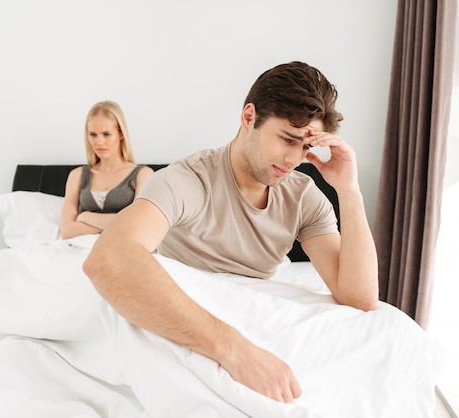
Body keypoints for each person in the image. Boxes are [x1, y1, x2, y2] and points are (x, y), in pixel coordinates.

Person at [83, 62, 379, 403]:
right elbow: (106, 258)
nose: (295, 158)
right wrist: (235, 351)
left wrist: (350, 191)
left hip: (251, 321)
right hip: (185, 322)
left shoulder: (303, 197)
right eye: (287, 139)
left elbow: (359, 298)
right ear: (249, 117)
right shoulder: (189, 180)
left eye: (306, 147)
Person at [60, 101, 154, 239]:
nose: (99, 142)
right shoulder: (77, 175)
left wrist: (86, 216)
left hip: (122, 248)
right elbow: (67, 231)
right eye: (93, 134)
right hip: (80, 250)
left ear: (120, 134)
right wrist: (117, 222)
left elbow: (138, 225)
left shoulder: (143, 175)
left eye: (106, 134)